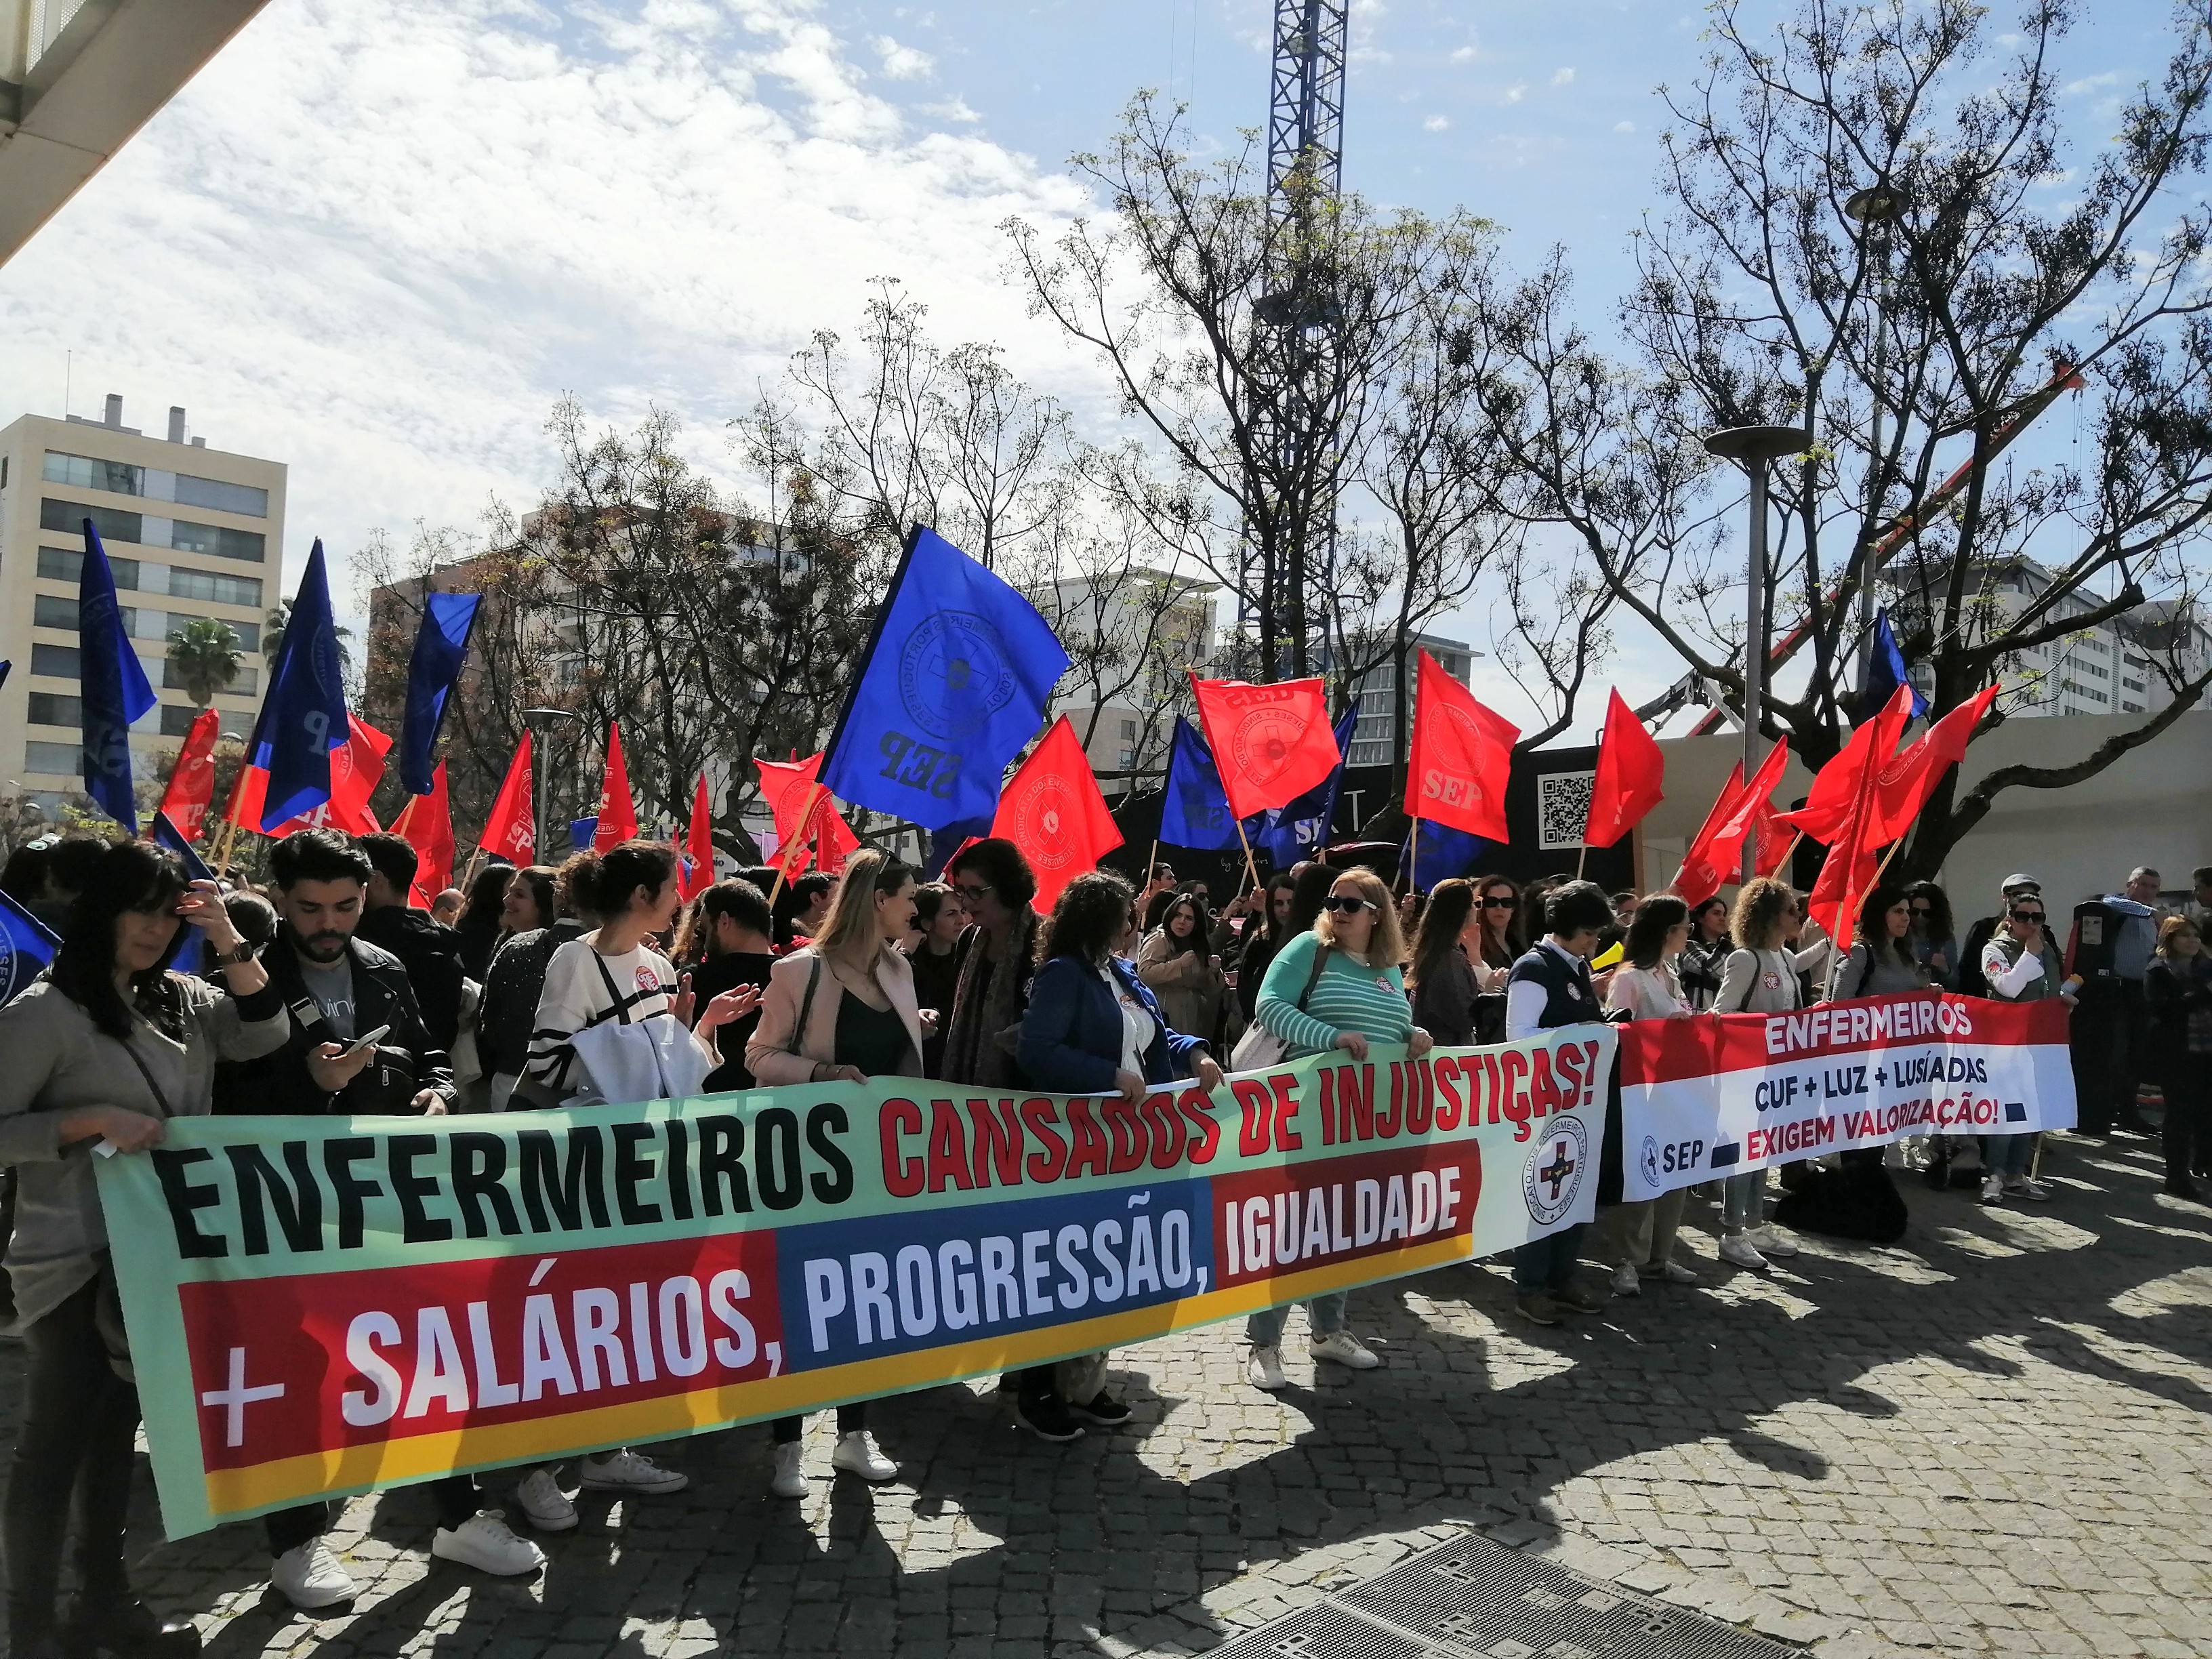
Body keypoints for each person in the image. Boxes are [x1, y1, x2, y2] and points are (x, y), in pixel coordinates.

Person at [221, 831, 537, 1593]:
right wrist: (316, 1086)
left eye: (347, 906)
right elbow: (223, 1092)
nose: (330, 923)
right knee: (296, 1365)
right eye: (311, 909)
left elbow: (426, 1052)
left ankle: (457, 1519)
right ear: (279, 901)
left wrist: (434, 1093)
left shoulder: (385, 966)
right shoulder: (239, 974)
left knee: (422, 1351)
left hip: (386, 1194)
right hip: (285, 1198)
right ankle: (296, 1540)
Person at [0, 841, 288, 1641]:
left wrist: (227, 935)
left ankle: (102, 1602)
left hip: (157, 1257)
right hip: (72, 1261)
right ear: (101, 911)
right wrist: (90, 1121)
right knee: (51, 1450)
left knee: (113, 1436)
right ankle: (27, 1633)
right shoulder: (43, 1013)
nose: (155, 928)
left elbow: (265, 1033)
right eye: (140, 908)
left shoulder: (186, 1001)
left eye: (170, 913)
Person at [512, 842, 742, 1529]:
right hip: (588, 1168)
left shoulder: (656, 964)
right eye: (675, 887)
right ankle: (534, 1470)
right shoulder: (574, 961)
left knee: (621, 1315)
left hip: (645, 1167)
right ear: (642, 897)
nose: (683, 900)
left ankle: (602, 1449)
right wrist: (642, 1041)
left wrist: (699, 1029)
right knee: (569, 1315)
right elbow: (548, 1064)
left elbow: (666, 1067)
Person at [1019, 872, 1226, 1433]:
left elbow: (1155, 1037)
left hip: (1135, 1144)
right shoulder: (1063, 975)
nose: (1135, 923)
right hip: (1080, 1143)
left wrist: (1197, 1054)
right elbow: (1038, 1049)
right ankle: (1038, 1389)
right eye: (1126, 915)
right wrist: (1104, 1075)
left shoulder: (1124, 972)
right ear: (1101, 919)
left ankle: (1087, 1384)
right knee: (1065, 1267)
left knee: (1108, 1267)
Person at [746, 852, 928, 1487]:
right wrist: (822, 1074)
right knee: (799, 1302)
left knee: (866, 1298)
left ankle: (854, 1432)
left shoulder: (901, 970)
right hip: (807, 1167)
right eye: (909, 895)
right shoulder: (801, 971)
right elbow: (759, 1056)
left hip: (878, 1166)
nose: (917, 907)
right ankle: (787, 1444)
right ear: (878, 899)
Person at [1244, 867, 1432, 1388]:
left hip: (1369, 1123)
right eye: (1333, 902)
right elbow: (1269, 1006)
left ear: (1378, 915)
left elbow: (1391, 1028)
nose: (1338, 911)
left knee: (1346, 1228)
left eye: (1351, 904)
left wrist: (1414, 1033)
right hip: (1311, 1117)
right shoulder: (1310, 947)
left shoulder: (1389, 968)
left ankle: (1328, 1332)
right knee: (1295, 1229)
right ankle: (1264, 1343)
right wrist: (1327, 1037)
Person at [1503, 880, 1614, 1322]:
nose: (1596, 940)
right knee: (1542, 1193)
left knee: (1576, 1190)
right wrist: (1582, 1036)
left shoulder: (1576, 966)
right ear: (1567, 928)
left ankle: (1562, 1278)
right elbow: (1519, 1036)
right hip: (1541, 1104)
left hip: (1578, 1103)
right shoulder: (1534, 968)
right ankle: (1531, 1286)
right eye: (1590, 932)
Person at [1599, 895, 1700, 1294]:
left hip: (1674, 1090)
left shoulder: (1669, 973)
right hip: (1640, 1093)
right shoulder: (1629, 978)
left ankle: (1660, 1255)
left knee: (1675, 1173)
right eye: (1685, 926)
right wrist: (1661, 1027)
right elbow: (1617, 1032)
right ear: (1666, 931)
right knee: (1641, 1176)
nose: (1689, 933)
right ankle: (1627, 1260)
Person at [1710, 878, 1809, 1269]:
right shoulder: (1745, 959)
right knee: (1743, 1149)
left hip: (1777, 1071)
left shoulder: (1784, 957)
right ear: (1770, 915)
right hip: (1745, 1069)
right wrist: (1766, 1025)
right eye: (1790, 909)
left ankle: (1754, 1224)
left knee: (1763, 1148)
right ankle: (1731, 1231)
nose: (1797, 915)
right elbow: (1722, 1014)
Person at [1979, 890, 2073, 1203]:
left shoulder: (2046, 950)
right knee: (2005, 1111)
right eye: (2023, 917)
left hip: (2038, 1041)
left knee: (2029, 1111)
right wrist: (2030, 955)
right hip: (2005, 1042)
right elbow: (2007, 986)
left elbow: (2050, 990)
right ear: (2010, 918)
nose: (2030, 923)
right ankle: (1994, 1174)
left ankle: (2016, 1174)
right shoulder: (1995, 949)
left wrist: (2063, 1001)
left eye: (2037, 917)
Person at [476, 861, 586, 1111]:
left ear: (546, 903)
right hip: (510, 1076)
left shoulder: (573, 950)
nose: (506, 900)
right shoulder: (510, 945)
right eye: (508, 892)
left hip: (554, 1088)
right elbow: (489, 1019)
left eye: (520, 894)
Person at [2065, 865, 2165, 1136]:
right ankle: (2104, 1111)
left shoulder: (2149, 919)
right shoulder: (2117, 906)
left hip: (2140, 989)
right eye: (2142, 885)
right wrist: (2151, 912)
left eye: (2153, 887)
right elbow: (2106, 902)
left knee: (2136, 1053)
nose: (2148, 891)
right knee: (2114, 1054)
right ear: (2130, 884)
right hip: (2113, 991)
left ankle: (2129, 1112)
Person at [939, 838, 1042, 1090]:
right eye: (961, 891)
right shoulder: (967, 939)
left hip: (1024, 1092)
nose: (965, 903)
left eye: (976, 892)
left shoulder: (1045, 938)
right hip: (964, 1089)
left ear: (1008, 887)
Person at [354, 831, 470, 1052]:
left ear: (376, 881)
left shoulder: (361, 941)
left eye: (355, 878)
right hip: (427, 1075)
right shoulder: (445, 945)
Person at [675, 877, 776, 1090]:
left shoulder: (691, 981)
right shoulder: (800, 975)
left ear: (723, 921)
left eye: (705, 929)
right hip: (787, 1107)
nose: (704, 940)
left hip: (709, 1110)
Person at [2144, 914, 2212, 1201]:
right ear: (2170, 939)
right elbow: (2164, 1011)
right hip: (2176, 1054)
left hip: (2207, 1050)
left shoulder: (2206, 967)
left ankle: (2205, 1162)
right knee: (2179, 1115)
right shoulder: (2158, 971)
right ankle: (2177, 1176)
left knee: (2206, 1111)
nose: (2192, 941)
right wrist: (2201, 994)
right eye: (2185, 935)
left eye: (2195, 935)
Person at [1136, 890, 1228, 1046]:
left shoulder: (1197, 945)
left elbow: (1210, 988)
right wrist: (1178, 964)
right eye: (1178, 915)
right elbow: (1144, 973)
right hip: (1165, 1017)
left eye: (1189, 918)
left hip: (1193, 1020)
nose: (1182, 922)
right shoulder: (1160, 939)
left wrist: (1214, 971)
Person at [1407, 878, 1483, 1046]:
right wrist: (1488, 996)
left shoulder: (1439, 951)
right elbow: (1463, 1017)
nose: (1475, 910)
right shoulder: (1448, 959)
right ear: (1461, 911)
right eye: (1474, 904)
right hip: (1446, 1058)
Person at [1826, 886, 1930, 1002]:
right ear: (1880, 914)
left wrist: (1926, 993)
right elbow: (1840, 1004)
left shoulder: (1907, 954)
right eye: (1898, 911)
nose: (1906, 918)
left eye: (1908, 912)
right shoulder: (1859, 953)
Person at [904, 883, 965, 1075]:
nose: (961, 920)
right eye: (951, 914)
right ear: (927, 923)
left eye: (962, 911)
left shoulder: (969, 959)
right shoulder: (906, 961)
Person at [1954, 872, 2042, 999]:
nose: (2027, 898)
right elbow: (1968, 974)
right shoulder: (1983, 930)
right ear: (2005, 898)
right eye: (2019, 894)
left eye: (2033, 895)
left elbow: (2052, 982)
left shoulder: (2046, 938)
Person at [1230, 872, 1300, 1027]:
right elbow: (1246, 988)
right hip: (1263, 1026)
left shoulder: (1310, 940)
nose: (1285, 909)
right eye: (1279, 903)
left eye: (1290, 902)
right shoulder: (1258, 941)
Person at [1467, 875, 1523, 1040]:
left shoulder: (1519, 946)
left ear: (1514, 908)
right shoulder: (1470, 943)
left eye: (1507, 903)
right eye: (1492, 902)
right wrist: (1487, 991)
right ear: (1480, 906)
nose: (1500, 908)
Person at [453, 861, 516, 980]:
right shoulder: (473, 936)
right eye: (512, 889)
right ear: (495, 892)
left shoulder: (512, 932)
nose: (513, 897)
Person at [1676, 897, 1732, 1012]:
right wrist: (1733, 941)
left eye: (1724, 915)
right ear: (1701, 918)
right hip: (1698, 1021)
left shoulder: (1730, 949)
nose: (1722, 919)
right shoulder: (1687, 947)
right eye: (1716, 914)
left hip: (1724, 1018)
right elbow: (1711, 968)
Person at [1906, 881, 1958, 989]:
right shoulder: (1899, 938)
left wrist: (1945, 969)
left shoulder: (1945, 939)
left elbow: (1956, 983)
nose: (1920, 917)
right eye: (1915, 912)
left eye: (1926, 913)